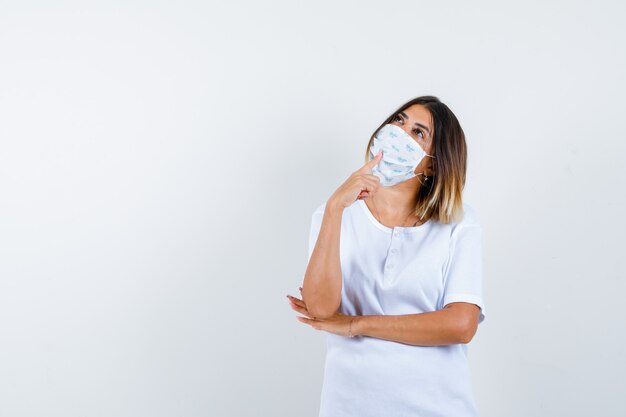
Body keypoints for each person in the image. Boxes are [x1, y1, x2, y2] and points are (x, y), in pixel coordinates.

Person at [286, 95, 486, 417]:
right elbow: (322, 311)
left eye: (418, 133)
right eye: (399, 121)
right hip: (349, 406)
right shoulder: (333, 215)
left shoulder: (458, 223)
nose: (400, 133)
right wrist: (336, 207)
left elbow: (461, 324)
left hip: (437, 406)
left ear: (433, 163)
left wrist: (356, 324)